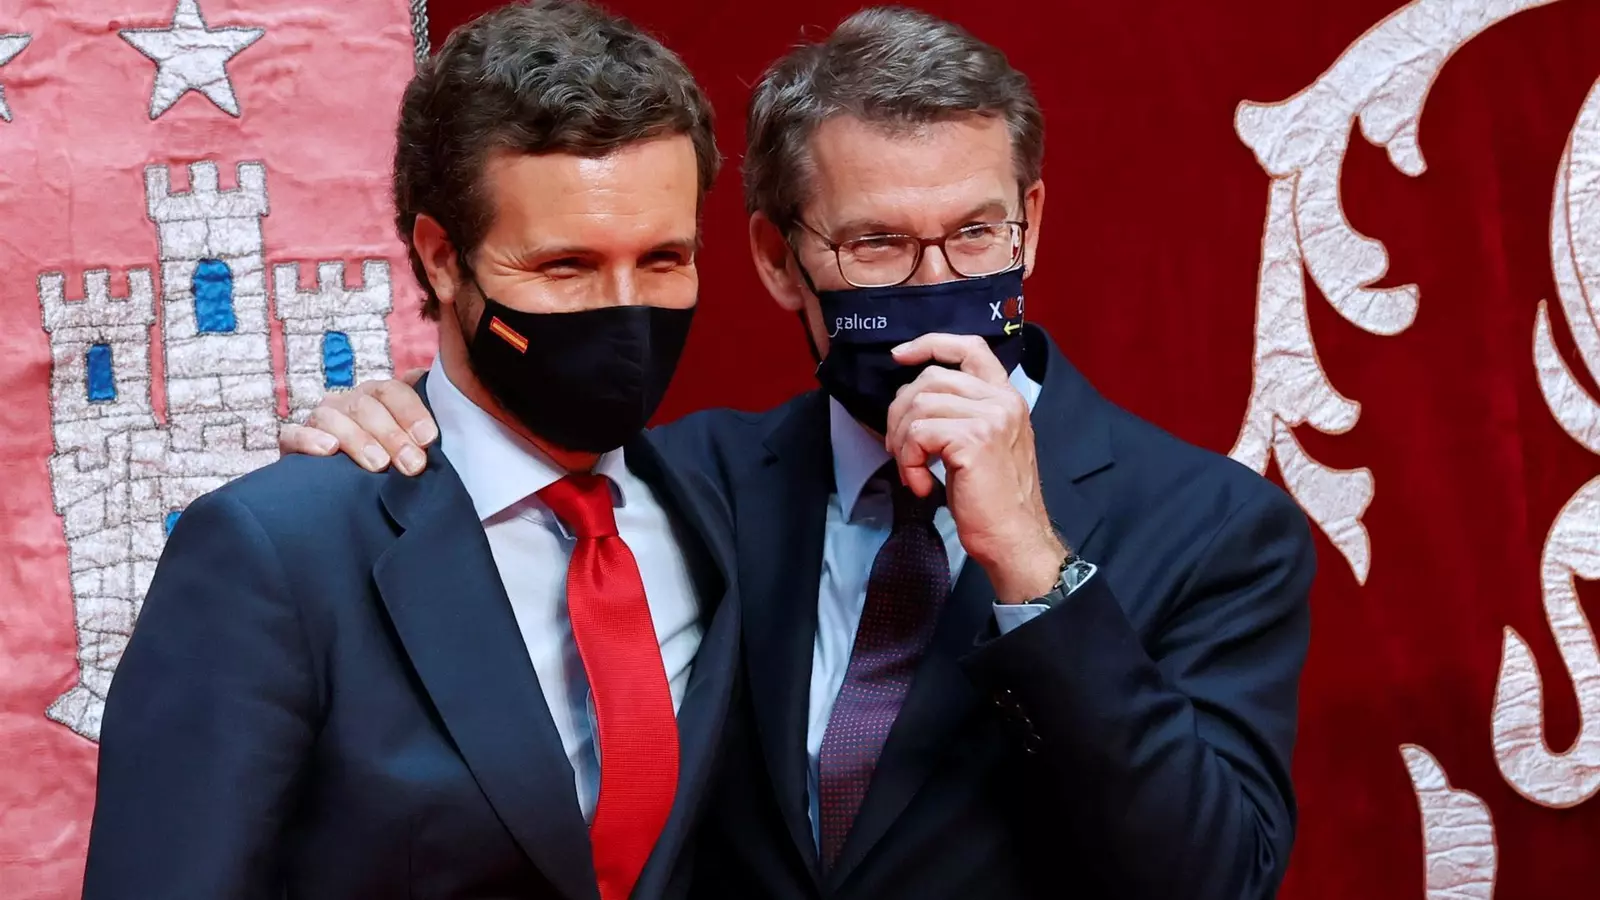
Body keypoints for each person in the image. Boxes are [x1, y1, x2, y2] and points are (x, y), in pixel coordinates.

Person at [281, 7, 1316, 899]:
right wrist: (398, 417)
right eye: (876, 245)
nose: (934, 284)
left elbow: (1218, 875)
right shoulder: (689, 485)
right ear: (777, 259)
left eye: (973, 233)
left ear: (1029, 225)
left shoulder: (1217, 528)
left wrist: (1032, 568)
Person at [82, 4, 739, 899]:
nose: (623, 308)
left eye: (663, 259)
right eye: (564, 267)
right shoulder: (274, 556)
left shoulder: (725, 509)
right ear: (440, 257)